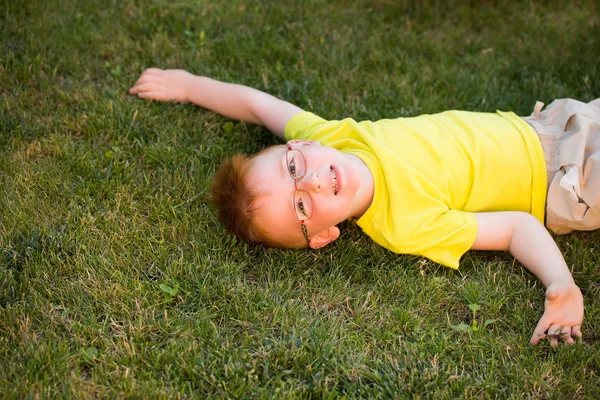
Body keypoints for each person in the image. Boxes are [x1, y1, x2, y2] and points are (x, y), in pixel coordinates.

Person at [130, 68, 600, 347]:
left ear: (303, 142)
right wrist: (560, 283)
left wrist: (190, 85)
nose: (313, 181)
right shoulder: (404, 226)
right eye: (301, 205)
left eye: (294, 167)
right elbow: (516, 227)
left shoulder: (335, 134)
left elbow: (257, 104)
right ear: (322, 236)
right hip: (569, 183)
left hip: (548, 122)